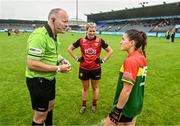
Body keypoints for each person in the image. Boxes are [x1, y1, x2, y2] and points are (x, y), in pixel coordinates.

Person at [25, 8, 71, 126]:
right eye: (64, 21)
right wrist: (59, 68)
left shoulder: (54, 35)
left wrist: (61, 59)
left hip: (49, 79)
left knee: (50, 106)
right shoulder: (40, 36)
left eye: (67, 22)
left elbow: (51, 54)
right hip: (38, 80)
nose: (67, 25)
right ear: (53, 20)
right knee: (40, 115)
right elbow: (32, 64)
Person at [104, 29, 148, 126]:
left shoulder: (131, 60)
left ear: (132, 43)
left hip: (125, 107)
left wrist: (117, 110)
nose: (120, 42)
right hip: (136, 104)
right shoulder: (142, 57)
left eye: (123, 39)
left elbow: (127, 90)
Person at [67, 22, 113, 114]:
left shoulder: (100, 41)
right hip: (84, 68)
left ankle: (94, 105)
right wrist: (76, 58)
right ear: (86, 30)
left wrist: (103, 60)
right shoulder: (81, 40)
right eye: (90, 31)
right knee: (85, 88)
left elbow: (110, 51)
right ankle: (83, 106)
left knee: (95, 88)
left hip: (96, 68)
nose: (92, 33)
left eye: (94, 31)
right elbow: (69, 49)